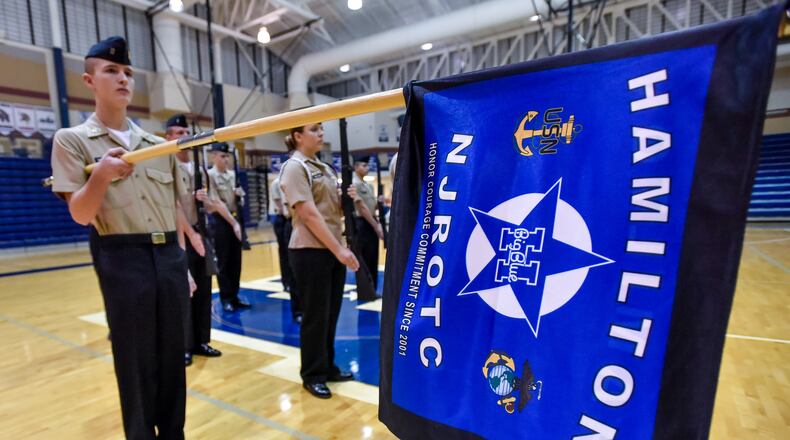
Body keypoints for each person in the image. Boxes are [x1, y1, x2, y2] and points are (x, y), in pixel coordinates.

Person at [50, 36, 202, 439]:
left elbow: (173, 209)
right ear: (89, 80)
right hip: (122, 256)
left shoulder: (156, 146)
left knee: (173, 358)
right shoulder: (73, 140)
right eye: (111, 71)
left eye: (129, 73)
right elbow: (81, 213)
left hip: (168, 254)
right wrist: (99, 176)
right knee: (135, 362)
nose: (123, 79)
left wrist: (182, 264)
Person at [279, 123, 360, 399]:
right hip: (310, 250)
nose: (321, 134)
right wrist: (339, 250)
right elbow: (309, 213)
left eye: (322, 129)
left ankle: (327, 365)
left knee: (330, 313)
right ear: (297, 136)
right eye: (314, 129)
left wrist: (345, 198)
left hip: (330, 249)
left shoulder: (324, 168)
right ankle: (312, 373)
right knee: (315, 315)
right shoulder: (295, 167)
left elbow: (330, 210)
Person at [167, 114, 223, 366]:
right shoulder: (166, 166)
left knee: (204, 287)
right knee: (184, 291)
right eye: (177, 133)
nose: (182, 137)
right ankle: (183, 344)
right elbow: (172, 206)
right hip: (180, 235)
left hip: (203, 232)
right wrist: (191, 235)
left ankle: (201, 340)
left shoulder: (200, 169)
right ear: (168, 137)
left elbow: (211, 206)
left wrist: (206, 201)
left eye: (185, 133)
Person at [207, 142, 249, 313]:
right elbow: (216, 203)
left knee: (236, 261)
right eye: (222, 156)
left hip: (235, 219)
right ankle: (226, 298)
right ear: (214, 156)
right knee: (224, 261)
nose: (226, 159)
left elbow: (241, 201)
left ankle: (235, 295)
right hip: (221, 222)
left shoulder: (233, 175)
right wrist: (234, 224)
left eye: (227, 156)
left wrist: (240, 196)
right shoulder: (210, 175)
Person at [351, 156, 384, 290]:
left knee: (372, 257)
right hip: (363, 224)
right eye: (364, 165)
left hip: (370, 222)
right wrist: (376, 226)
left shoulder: (367, 185)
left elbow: (371, 206)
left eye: (367, 165)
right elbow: (362, 208)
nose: (367, 168)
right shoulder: (355, 184)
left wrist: (379, 202)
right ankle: (366, 289)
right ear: (356, 167)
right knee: (365, 258)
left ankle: (372, 288)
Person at [272, 172, 301, 322]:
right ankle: (286, 282)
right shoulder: (280, 182)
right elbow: (283, 207)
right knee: (287, 258)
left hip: (300, 223)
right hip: (286, 220)